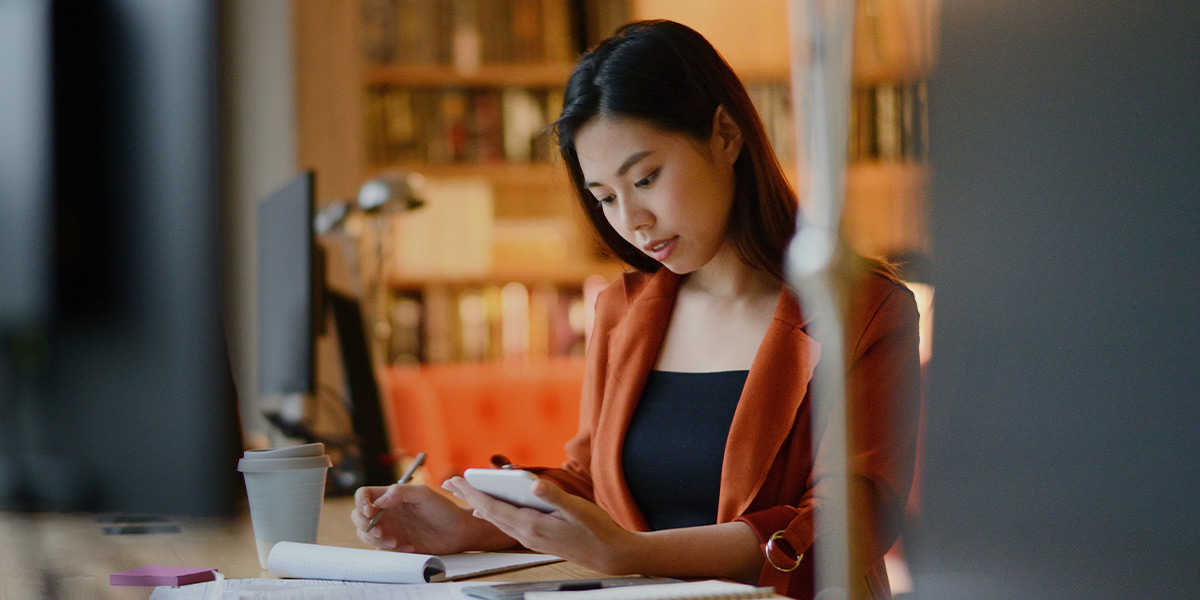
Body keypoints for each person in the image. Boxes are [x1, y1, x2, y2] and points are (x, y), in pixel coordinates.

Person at [351, 20, 920, 600]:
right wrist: (469, 522)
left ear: (725, 135)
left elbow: (848, 526)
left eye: (645, 178)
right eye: (604, 198)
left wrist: (633, 553)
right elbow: (594, 486)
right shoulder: (625, 311)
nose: (631, 220)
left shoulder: (864, 311)